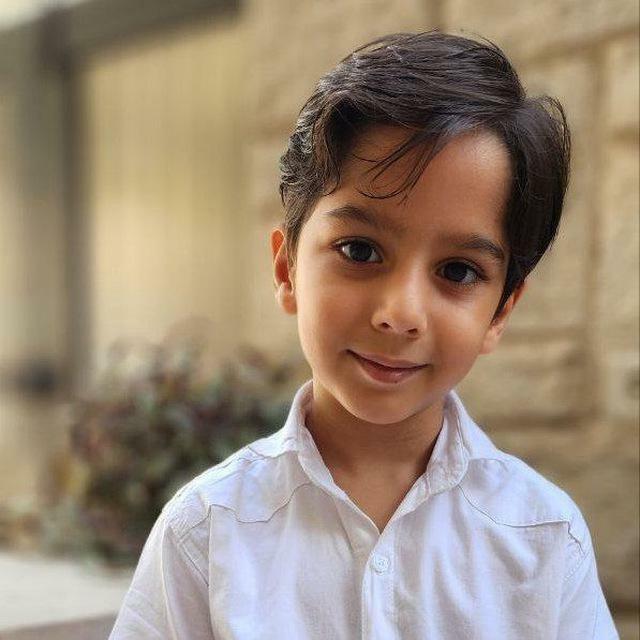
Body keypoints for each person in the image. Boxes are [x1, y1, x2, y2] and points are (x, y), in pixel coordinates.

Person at [110, 30, 619, 639]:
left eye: (458, 271)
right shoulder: (207, 532)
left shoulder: (544, 537)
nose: (399, 314)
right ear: (287, 269)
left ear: (501, 311)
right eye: (359, 250)